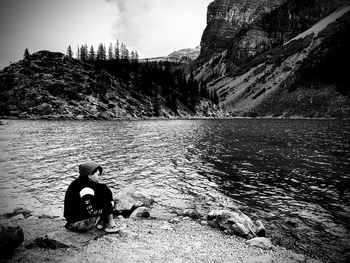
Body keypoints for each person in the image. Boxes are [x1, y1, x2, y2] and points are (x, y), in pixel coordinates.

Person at [64, 161, 125, 233]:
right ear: (90, 175)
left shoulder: (78, 183)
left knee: (103, 188)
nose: (99, 177)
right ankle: (110, 224)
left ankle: (102, 222)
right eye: (98, 175)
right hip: (78, 224)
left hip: (72, 221)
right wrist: (108, 208)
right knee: (110, 203)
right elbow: (91, 211)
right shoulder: (85, 190)